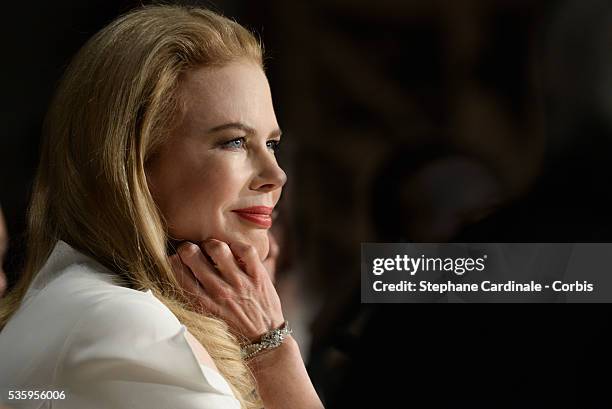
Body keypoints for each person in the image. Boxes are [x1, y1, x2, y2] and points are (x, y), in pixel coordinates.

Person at [0, 5, 323, 409]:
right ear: (132, 164)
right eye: (234, 141)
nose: (275, 175)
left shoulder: (80, 302)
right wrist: (273, 352)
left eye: (271, 143)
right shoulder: (125, 326)